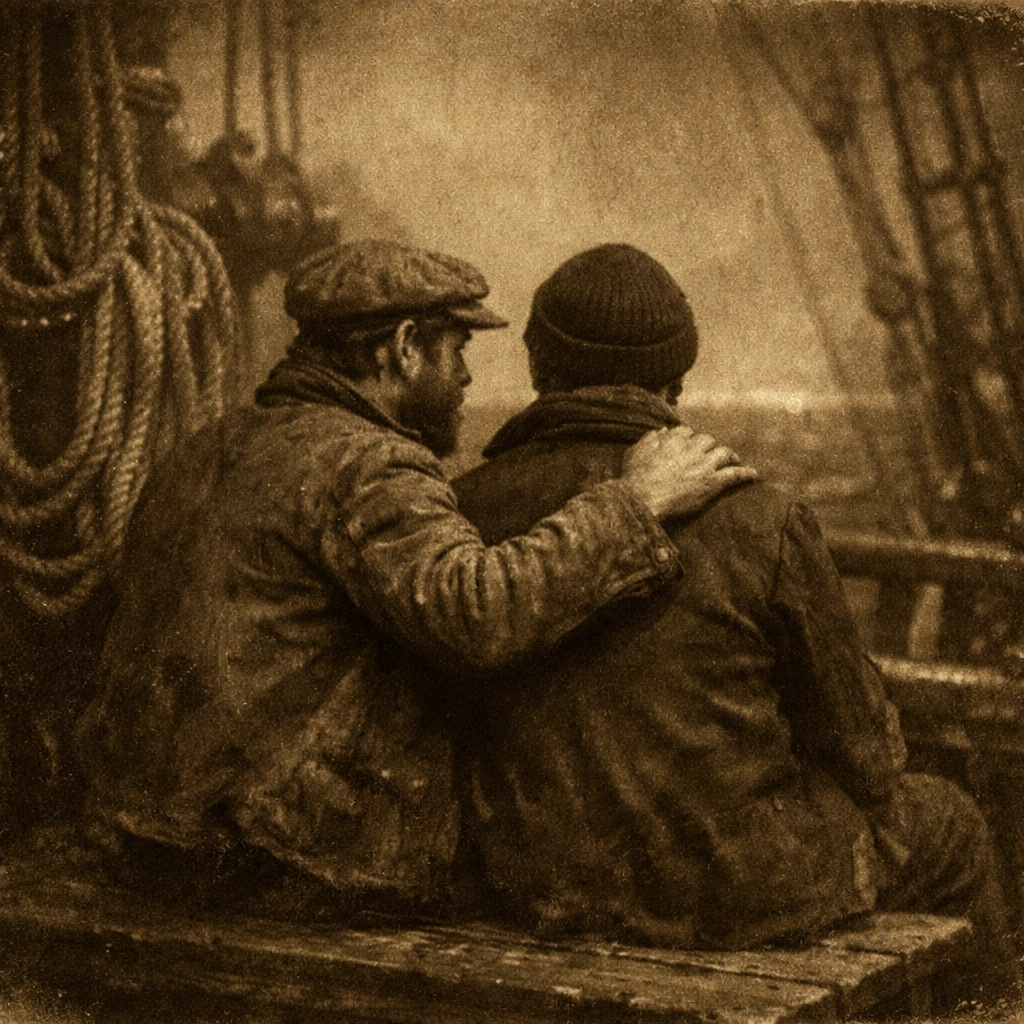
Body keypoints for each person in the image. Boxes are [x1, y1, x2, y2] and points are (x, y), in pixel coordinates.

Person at [73, 239, 754, 921]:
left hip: (141, 837)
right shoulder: (368, 462)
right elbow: (480, 616)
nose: (465, 379)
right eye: (455, 349)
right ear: (401, 348)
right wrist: (637, 502)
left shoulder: (207, 446)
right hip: (273, 861)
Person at [449, 243, 1019, 992]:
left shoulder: (465, 511)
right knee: (952, 826)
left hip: (538, 884)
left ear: (538, 369)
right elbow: (866, 750)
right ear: (676, 377)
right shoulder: (760, 517)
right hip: (739, 894)